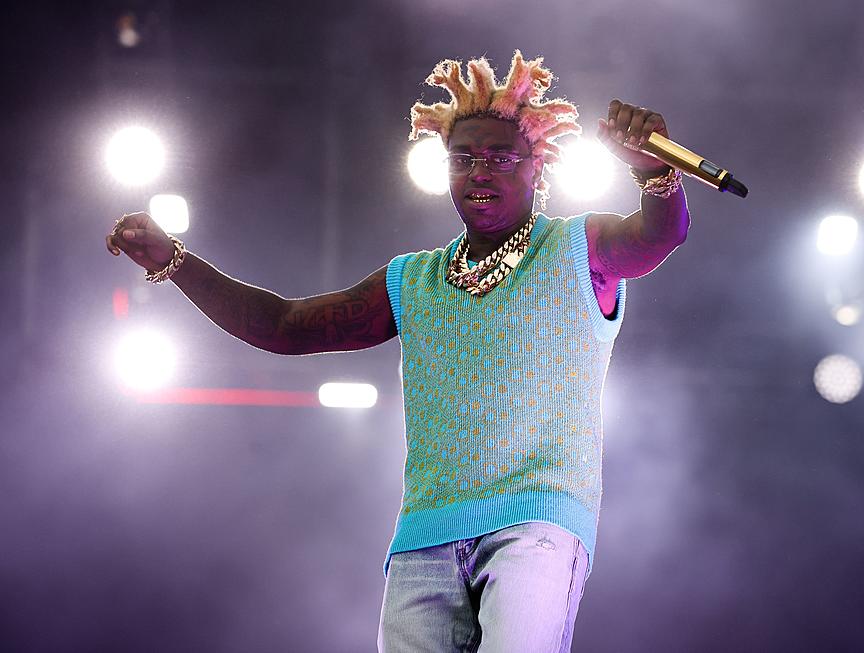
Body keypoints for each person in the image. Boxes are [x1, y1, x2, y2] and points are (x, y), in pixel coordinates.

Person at [105, 50, 689, 653]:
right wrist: (175, 262)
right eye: (463, 160)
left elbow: (657, 235)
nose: (479, 172)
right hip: (423, 543)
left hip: (535, 527)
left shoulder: (577, 247)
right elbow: (282, 326)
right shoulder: (412, 280)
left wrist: (654, 175)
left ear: (536, 167)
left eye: (498, 157)